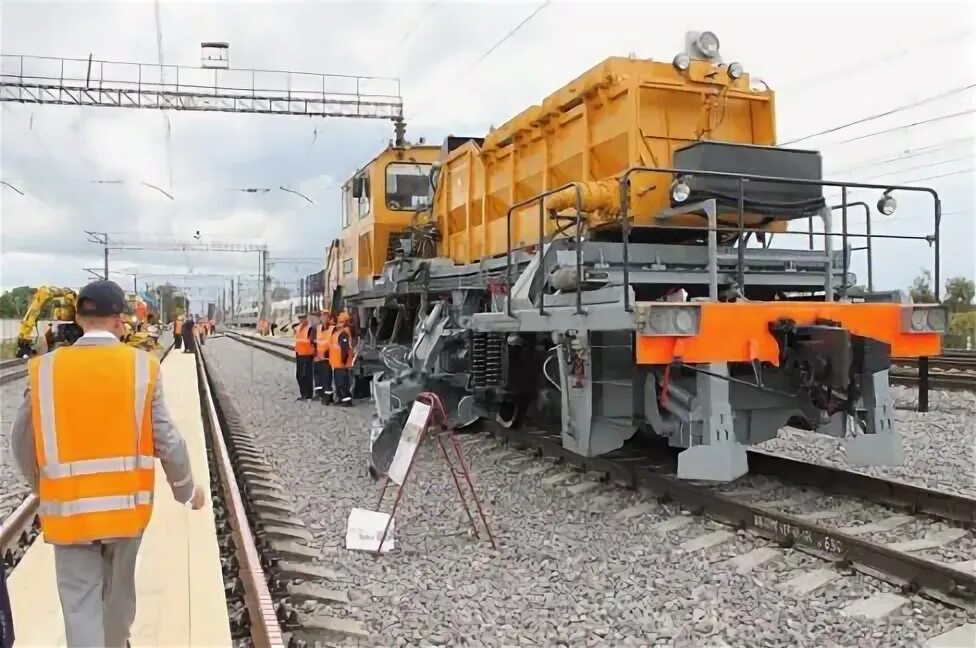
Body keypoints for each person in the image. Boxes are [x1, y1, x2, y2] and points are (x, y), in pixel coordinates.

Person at [9, 280, 206, 648]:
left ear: (79, 319)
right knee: (118, 600)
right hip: (125, 512)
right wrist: (186, 490)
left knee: (80, 607)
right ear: (119, 321)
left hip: (68, 513)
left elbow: (21, 443)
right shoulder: (141, 367)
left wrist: (43, 487)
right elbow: (167, 440)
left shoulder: (45, 370)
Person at [330, 311, 354, 406]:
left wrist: (343, 360)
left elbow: (345, 348)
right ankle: (341, 398)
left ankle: (347, 400)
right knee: (339, 382)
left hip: (341, 363)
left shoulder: (344, 333)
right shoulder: (340, 333)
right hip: (337, 362)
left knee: (343, 383)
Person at [293, 313, 316, 400]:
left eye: (303, 318)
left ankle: (308, 395)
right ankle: (303, 394)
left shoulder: (310, 328)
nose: (301, 319)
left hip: (307, 354)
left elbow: (313, 341)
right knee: (299, 376)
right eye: (300, 318)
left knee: (306, 375)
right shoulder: (299, 327)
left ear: (306, 318)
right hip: (299, 354)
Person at [313, 311, 335, 404]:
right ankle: (319, 394)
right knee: (318, 377)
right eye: (321, 317)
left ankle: (328, 397)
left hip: (327, 358)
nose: (323, 318)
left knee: (327, 378)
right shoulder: (318, 328)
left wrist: (328, 354)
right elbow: (316, 342)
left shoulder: (333, 329)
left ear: (329, 318)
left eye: (325, 316)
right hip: (318, 357)